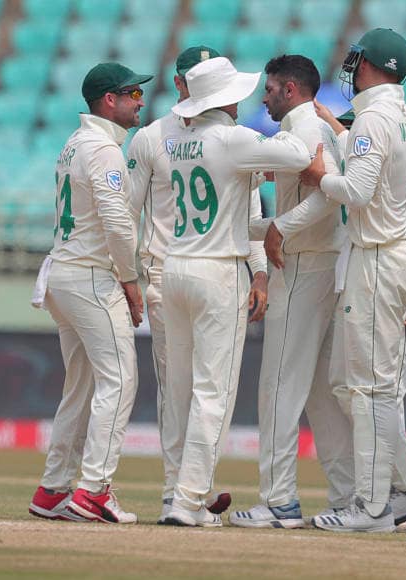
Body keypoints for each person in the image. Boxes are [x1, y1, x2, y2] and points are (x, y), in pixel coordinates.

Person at [158, 56, 311, 527]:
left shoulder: (179, 139)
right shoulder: (233, 138)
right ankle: (187, 500)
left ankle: (179, 497)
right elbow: (302, 157)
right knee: (213, 393)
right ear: (223, 98)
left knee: (182, 390)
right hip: (217, 271)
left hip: (175, 267)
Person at [127, 45, 265, 523]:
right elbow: (128, 212)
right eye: (185, 78)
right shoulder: (150, 137)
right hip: (170, 274)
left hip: (201, 269)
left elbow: (248, 209)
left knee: (199, 392)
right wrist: (129, 276)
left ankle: (188, 492)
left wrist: (260, 268)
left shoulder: (221, 138)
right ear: (179, 83)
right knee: (181, 392)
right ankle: (178, 494)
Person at [298, 28, 406, 533]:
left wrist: (316, 176)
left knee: (367, 389)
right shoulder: (402, 115)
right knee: (353, 384)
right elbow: (378, 162)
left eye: (355, 62)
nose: (350, 70)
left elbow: (357, 189)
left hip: (377, 257)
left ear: (368, 64)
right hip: (390, 256)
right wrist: (340, 129)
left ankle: (374, 508)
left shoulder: (374, 115)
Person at [227, 55, 355, 529]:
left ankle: (279, 500)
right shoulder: (314, 130)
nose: (264, 97)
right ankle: (347, 498)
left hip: (300, 268)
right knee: (320, 393)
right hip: (320, 265)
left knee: (278, 387)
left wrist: (279, 226)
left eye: (271, 88)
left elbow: (326, 197)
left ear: (293, 90)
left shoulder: (305, 134)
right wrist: (248, 230)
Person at [27, 62, 152, 524]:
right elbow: (119, 223)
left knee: (81, 385)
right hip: (90, 277)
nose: (140, 101)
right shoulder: (102, 150)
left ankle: (54, 489)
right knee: (118, 381)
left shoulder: (75, 144)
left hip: (65, 274)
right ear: (109, 101)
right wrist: (130, 279)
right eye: (132, 94)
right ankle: (93, 490)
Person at [312, 102, 406, 528]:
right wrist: (330, 119)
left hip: (397, 300)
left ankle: (394, 496)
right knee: (348, 388)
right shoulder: (363, 163)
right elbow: (351, 141)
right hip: (364, 287)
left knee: (380, 397)